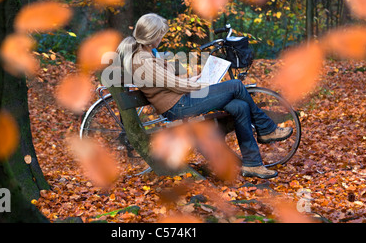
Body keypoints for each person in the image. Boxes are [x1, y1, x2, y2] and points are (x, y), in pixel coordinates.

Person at [116, 13, 292, 179]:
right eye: (160, 34)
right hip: (178, 106)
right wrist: (203, 85)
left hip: (180, 100)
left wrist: (195, 79)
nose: (161, 38)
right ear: (152, 35)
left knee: (240, 106)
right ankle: (267, 129)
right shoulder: (143, 60)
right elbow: (174, 85)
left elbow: (168, 81)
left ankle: (252, 163)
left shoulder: (147, 54)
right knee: (237, 85)